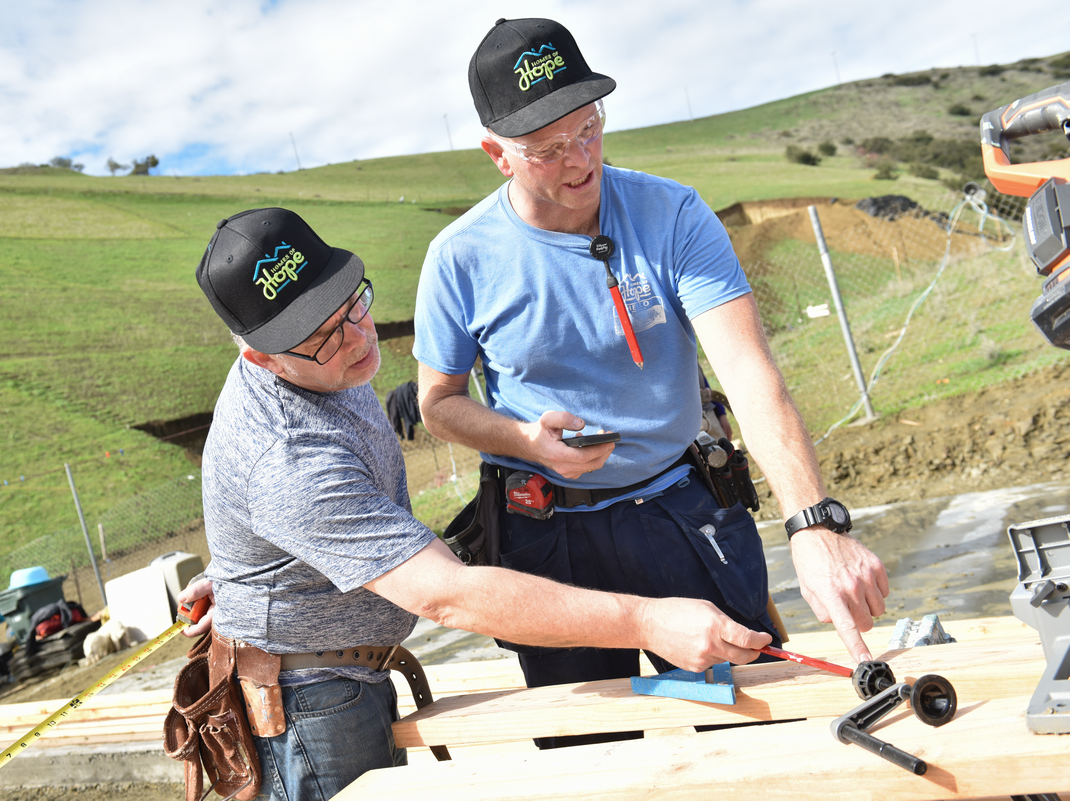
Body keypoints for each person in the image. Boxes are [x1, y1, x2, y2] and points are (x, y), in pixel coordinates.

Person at [186, 207, 773, 800]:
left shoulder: (319, 367)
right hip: (311, 703)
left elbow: (288, 509)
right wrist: (647, 621)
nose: (358, 338)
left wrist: (249, 571)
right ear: (260, 356)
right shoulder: (287, 457)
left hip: (336, 675)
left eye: (353, 306)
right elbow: (445, 594)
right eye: (324, 337)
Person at [412, 17, 889, 728]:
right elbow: (438, 403)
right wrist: (522, 439)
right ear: (497, 154)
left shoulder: (673, 215)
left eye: (589, 129)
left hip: (681, 510)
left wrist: (813, 524)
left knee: (744, 719)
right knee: (590, 742)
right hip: (547, 536)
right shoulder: (459, 258)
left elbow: (750, 374)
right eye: (548, 149)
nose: (580, 161)